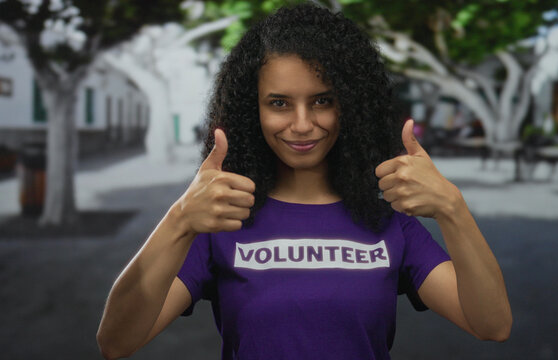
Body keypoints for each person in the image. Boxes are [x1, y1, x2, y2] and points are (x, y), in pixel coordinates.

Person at [96, 4, 512, 359]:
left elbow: (491, 324)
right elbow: (117, 342)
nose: (302, 125)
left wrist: (452, 209)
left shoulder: (388, 221)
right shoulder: (220, 220)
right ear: (250, 110)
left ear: (350, 104)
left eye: (322, 101)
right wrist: (180, 219)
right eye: (279, 103)